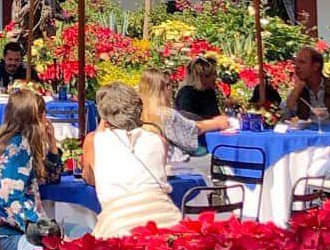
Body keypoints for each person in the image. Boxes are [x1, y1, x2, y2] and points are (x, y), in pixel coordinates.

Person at [80, 82, 180, 237]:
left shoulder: (94, 140)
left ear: (103, 114)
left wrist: (102, 122)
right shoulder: (158, 140)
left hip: (121, 225)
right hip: (167, 220)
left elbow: (90, 178)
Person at [0, 84, 55, 250]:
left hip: (10, 230)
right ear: (34, 119)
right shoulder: (17, 148)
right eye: (43, 115)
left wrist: (52, 145)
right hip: (6, 234)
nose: (46, 120)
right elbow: (12, 199)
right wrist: (44, 228)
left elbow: (51, 177)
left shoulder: (13, 142)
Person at [139, 69, 226, 170]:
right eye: (169, 84)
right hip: (174, 165)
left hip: (150, 165)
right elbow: (191, 130)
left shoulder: (140, 113)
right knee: (217, 163)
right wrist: (217, 123)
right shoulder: (166, 115)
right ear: (163, 88)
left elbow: (183, 124)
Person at [280, 45, 330, 125]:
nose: (296, 66)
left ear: (316, 66)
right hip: (308, 135)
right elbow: (283, 116)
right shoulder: (298, 91)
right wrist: (297, 89)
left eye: (302, 62)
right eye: (295, 62)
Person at [174, 57, 225, 121]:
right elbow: (185, 120)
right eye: (214, 74)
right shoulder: (187, 93)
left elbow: (214, 115)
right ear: (203, 76)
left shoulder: (209, 92)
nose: (216, 78)